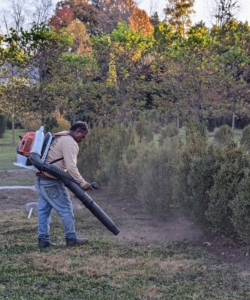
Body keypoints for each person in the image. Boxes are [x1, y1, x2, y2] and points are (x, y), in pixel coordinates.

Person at [35, 121, 92, 249]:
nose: (81, 140)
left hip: (41, 180)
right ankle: (71, 238)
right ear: (78, 131)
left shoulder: (60, 136)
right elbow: (71, 166)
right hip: (52, 182)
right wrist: (82, 183)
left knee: (43, 212)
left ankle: (43, 240)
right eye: (82, 136)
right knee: (66, 209)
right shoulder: (70, 142)